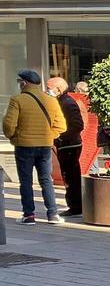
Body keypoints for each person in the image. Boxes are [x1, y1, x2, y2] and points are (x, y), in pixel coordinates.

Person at [4, 70, 66, 225]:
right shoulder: (51, 100)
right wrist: (49, 136)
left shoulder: (17, 100)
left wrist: (14, 137)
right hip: (45, 146)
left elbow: (8, 125)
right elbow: (61, 126)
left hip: (24, 146)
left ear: (24, 83)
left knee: (26, 181)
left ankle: (29, 215)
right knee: (46, 180)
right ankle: (52, 214)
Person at [47, 77, 85, 218]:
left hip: (70, 145)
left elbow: (78, 125)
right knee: (69, 176)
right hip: (66, 144)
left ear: (58, 89)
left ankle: (75, 206)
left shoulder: (67, 103)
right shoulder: (61, 101)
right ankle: (75, 205)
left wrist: (60, 137)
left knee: (71, 177)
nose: (47, 90)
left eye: (48, 87)